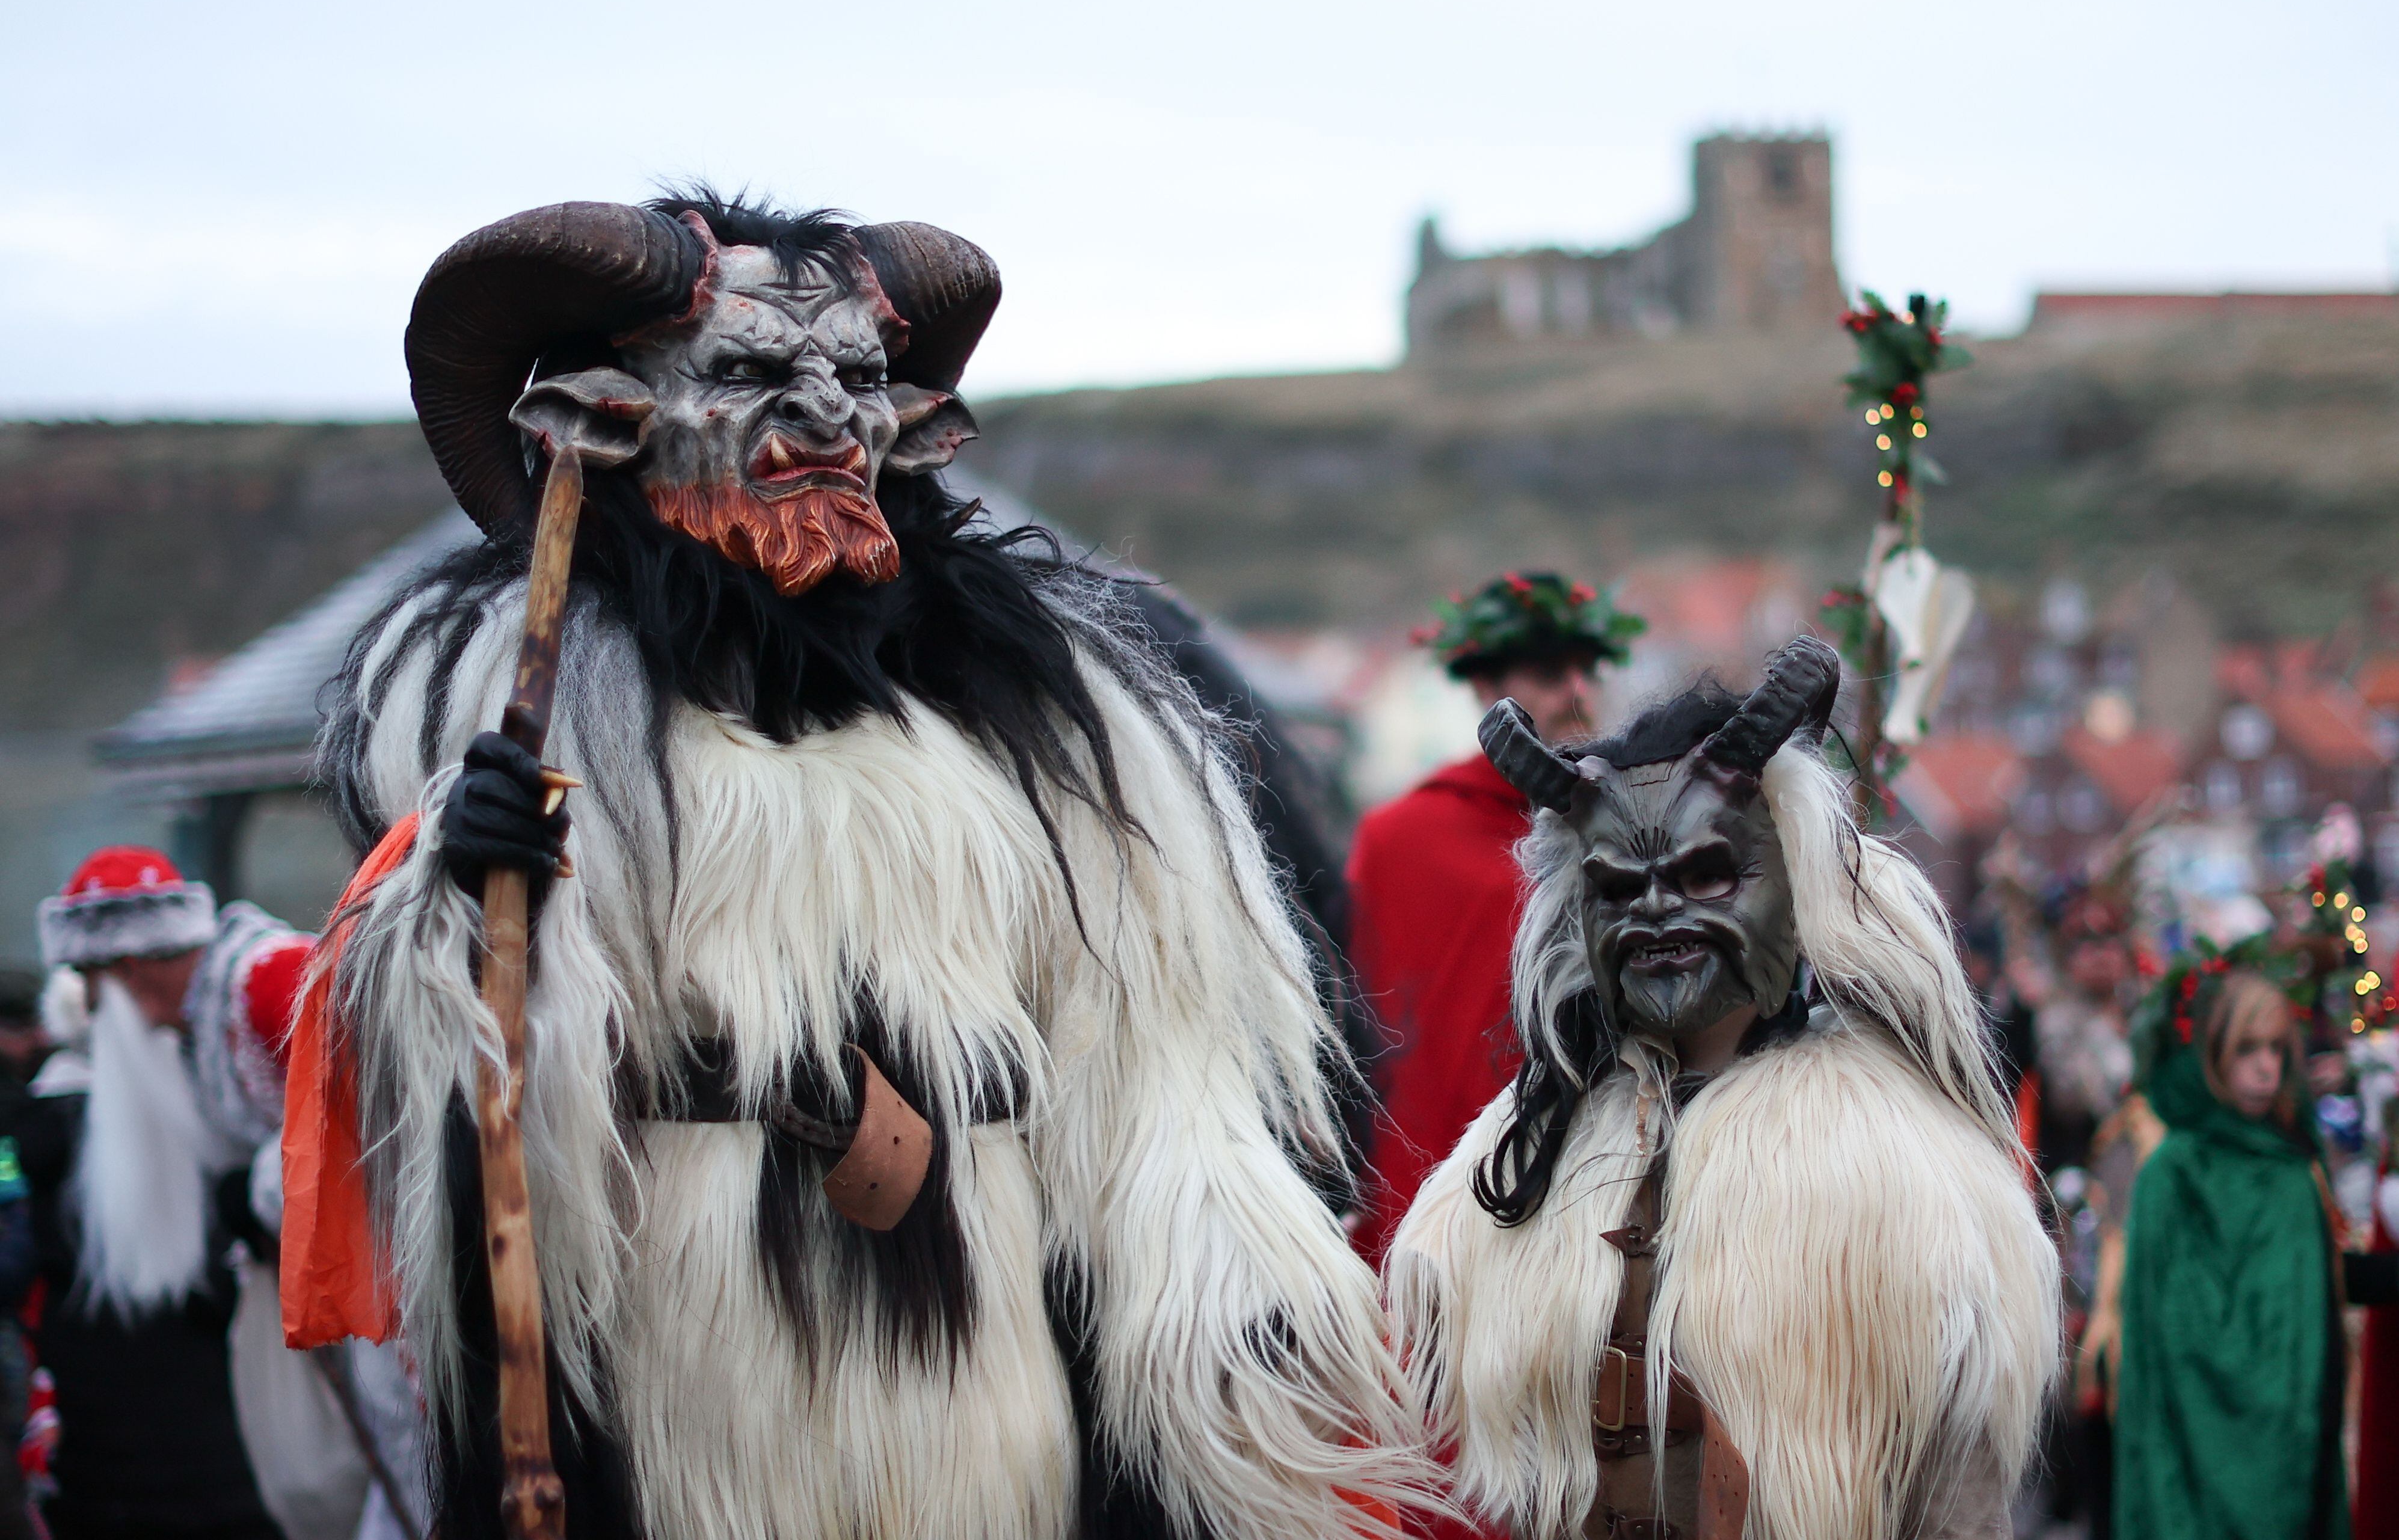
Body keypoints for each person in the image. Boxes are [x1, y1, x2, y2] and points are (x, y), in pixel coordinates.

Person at [283, 194, 1428, 1540]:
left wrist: (1202, 1340)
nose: (829, 417)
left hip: (989, 1345)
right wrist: (471, 910)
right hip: (698, 1353)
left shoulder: (1061, 729)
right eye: (757, 374)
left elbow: (1154, 1043)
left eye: (863, 382)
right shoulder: (526, 713)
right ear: (605, 421)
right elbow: (467, 1081)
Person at [1389, 639, 2060, 1539]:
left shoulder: (1910, 1176)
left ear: (1787, 879)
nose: (1659, 912)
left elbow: (1958, 1494)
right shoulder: (1517, 1168)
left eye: (1706, 874)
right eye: (1620, 887)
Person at [1347, 571, 1641, 1262]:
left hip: (1587, 1168)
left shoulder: (1628, 830)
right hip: (1420, 1167)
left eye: (1587, 669)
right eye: (1547, 672)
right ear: (1485, 689)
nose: (1577, 692)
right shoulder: (1399, 838)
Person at [21, 847, 299, 1539]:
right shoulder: (183, 1040)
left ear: (128, 970)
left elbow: (374, 1118)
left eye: (92, 981)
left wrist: (260, 1193)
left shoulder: (265, 983)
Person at [2114, 957, 2350, 1540]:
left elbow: (2312, 1326)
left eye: (2275, 1049)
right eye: (2247, 1049)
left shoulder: (2292, 1172)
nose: (2265, 1068)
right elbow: (2153, 1340)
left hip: (2288, 1455)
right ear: (2215, 1053)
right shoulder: (2172, 1171)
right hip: (2187, 1458)